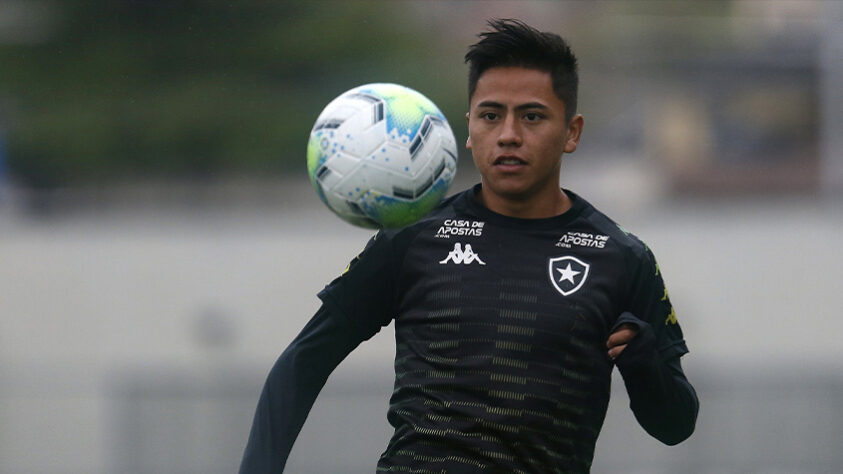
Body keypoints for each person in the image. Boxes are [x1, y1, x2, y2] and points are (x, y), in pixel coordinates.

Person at [240, 18, 698, 473]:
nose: (508, 135)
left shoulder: (619, 257)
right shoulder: (415, 236)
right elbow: (303, 361)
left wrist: (644, 365)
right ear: (468, 128)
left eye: (532, 116)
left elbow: (676, 425)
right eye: (491, 115)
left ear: (572, 132)